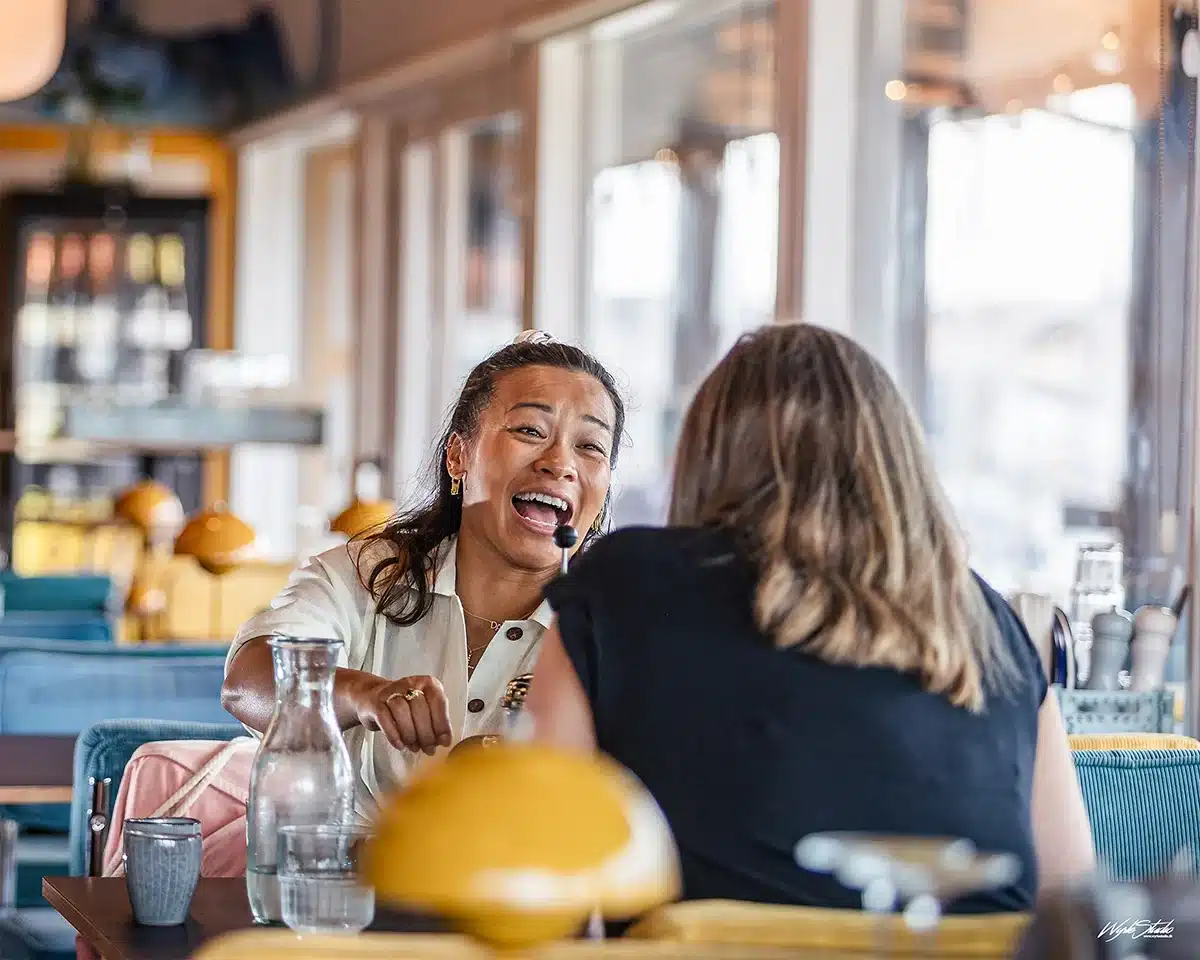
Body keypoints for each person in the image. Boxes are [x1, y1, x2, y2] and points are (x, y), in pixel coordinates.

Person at [527, 323, 1095, 912]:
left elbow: (538, 869)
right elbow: (1074, 901)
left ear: (708, 455)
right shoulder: (989, 621)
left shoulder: (622, 584)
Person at [222, 331, 625, 819]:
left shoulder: (618, 627)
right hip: (347, 885)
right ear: (458, 456)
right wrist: (366, 694)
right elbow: (247, 683)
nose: (560, 463)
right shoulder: (367, 573)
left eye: (590, 446)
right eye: (529, 431)